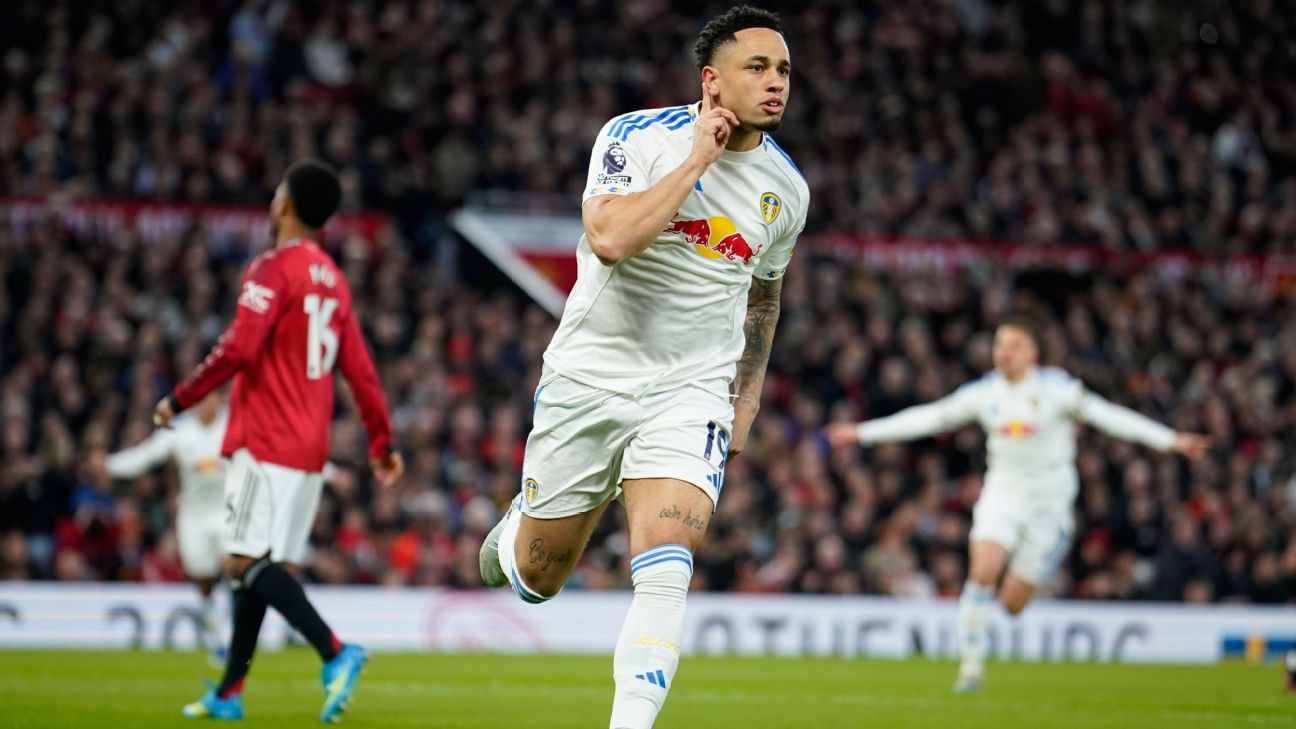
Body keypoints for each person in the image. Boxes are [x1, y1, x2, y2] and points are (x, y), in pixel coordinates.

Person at [477, 6, 808, 728]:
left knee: (667, 561)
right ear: (711, 80)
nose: (776, 82)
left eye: (783, 69)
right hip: (590, 378)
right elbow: (609, 238)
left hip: (691, 391)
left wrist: (746, 396)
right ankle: (519, 529)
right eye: (757, 67)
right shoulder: (637, 137)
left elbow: (765, 294)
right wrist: (697, 162)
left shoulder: (788, 191)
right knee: (538, 577)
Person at [825, 314, 1209, 692]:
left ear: (1032, 354)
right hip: (1002, 496)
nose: (1004, 353)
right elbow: (931, 417)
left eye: (1014, 345)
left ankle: (1047, 551)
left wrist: (1171, 440)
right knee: (981, 574)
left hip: (1048, 507)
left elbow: (1108, 416)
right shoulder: (984, 393)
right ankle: (970, 671)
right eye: (999, 344)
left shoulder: (1058, 390)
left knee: (1011, 604)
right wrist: (861, 433)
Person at [154, 160, 404, 722]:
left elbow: (240, 346)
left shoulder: (272, 267)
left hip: (266, 441)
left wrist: (180, 398)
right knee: (259, 570)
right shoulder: (333, 279)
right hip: (309, 451)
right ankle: (230, 692)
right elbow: (361, 370)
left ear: (285, 205)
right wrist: (381, 443)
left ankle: (335, 651)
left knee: (242, 561)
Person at [107, 391, 230, 665]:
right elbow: (145, 455)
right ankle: (218, 639)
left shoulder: (235, 425)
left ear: (219, 400)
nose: (203, 405)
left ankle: (236, 626)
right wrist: (109, 465)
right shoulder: (181, 431)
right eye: (198, 400)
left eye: (208, 399)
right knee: (203, 579)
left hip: (228, 510)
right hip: (193, 515)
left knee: (234, 566)